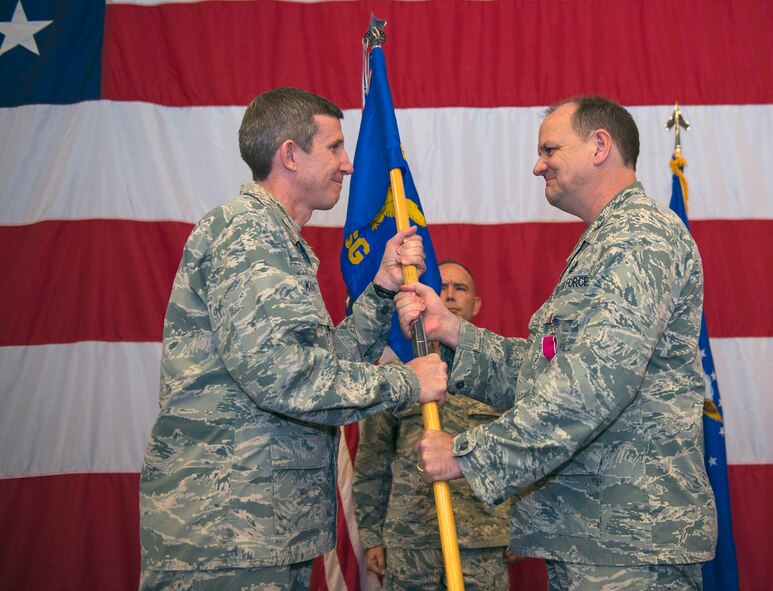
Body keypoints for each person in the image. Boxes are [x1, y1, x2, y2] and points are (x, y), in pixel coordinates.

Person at [397, 96, 717, 590]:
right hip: (596, 535)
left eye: (550, 149)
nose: (537, 165)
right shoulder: (608, 238)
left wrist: (468, 455)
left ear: (599, 146)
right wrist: (452, 332)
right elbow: (546, 372)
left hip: (627, 544)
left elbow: (593, 383)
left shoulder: (639, 236)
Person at [138, 87, 448, 591]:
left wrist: (380, 292)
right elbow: (287, 379)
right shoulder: (247, 234)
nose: (348, 166)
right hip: (227, 531)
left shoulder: (279, 240)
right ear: (289, 155)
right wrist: (405, 384)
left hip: (264, 529)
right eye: (334, 148)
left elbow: (315, 363)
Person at [353, 259, 515, 591]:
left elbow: (521, 451)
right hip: (412, 539)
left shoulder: (503, 375)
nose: (451, 295)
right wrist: (371, 534)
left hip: (482, 538)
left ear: (476, 303)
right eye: (443, 286)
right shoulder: (401, 372)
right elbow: (373, 457)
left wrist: (520, 527)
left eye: (461, 288)